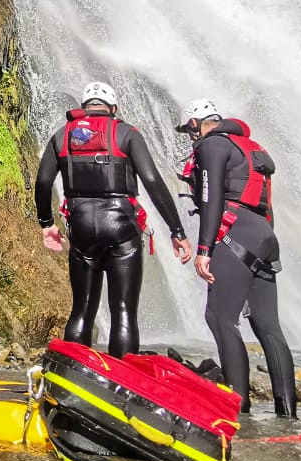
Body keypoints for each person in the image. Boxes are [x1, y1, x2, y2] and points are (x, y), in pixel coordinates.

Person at [35, 81, 192, 356]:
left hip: (82, 227)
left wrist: (47, 224)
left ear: (84, 108)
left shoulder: (61, 136)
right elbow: (152, 180)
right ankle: (123, 384)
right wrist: (177, 231)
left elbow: (43, 182)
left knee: (81, 309)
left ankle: (72, 378)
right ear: (113, 108)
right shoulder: (126, 133)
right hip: (122, 227)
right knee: (123, 311)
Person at [177, 98, 296, 417]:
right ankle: (288, 412)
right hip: (263, 235)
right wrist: (266, 241)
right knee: (268, 326)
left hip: (234, 233)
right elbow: (264, 202)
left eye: (190, 131)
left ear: (196, 124)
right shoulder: (249, 146)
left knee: (219, 317)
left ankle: (237, 408)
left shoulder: (211, 146)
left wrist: (204, 250)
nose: (190, 138)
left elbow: (211, 196)